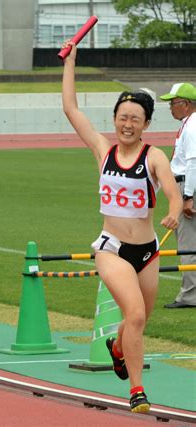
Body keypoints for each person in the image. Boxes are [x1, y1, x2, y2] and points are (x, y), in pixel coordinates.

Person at [61, 41, 182, 413]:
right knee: (136, 315)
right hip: (111, 247)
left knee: (136, 324)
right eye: (122, 117)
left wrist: (174, 212)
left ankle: (117, 347)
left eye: (135, 119)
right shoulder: (103, 150)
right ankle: (137, 390)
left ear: (146, 124)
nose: (127, 124)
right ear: (115, 119)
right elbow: (70, 108)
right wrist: (71, 62)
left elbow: (174, 195)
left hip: (146, 251)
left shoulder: (154, 156)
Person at [159, 83, 196, 309]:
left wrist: (188, 196)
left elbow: (193, 162)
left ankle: (190, 296)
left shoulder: (191, 127)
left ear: (187, 104)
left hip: (187, 188)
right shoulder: (189, 124)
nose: (171, 108)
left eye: (173, 103)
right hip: (185, 186)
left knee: (188, 244)